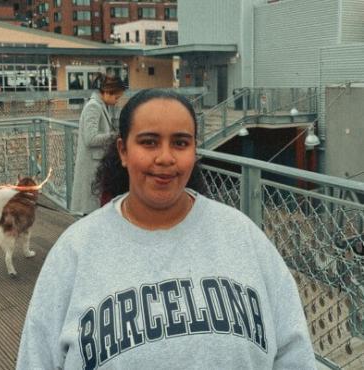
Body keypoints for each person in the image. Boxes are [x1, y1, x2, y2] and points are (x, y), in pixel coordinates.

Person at [16, 89, 316, 369]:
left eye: (180, 143)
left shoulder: (243, 235)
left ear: (195, 151)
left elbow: (294, 350)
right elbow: (36, 358)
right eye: (149, 142)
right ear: (123, 150)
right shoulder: (75, 249)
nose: (165, 157)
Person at [71, 74, 125, 215]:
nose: (116, 101)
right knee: (90, 210)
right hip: (91, 166)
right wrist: (115, 136)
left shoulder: (100, 105)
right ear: (107, 92)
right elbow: (90, 138)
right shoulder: (94, 107)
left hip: (95, 164)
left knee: (93, 208)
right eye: (116, 97)